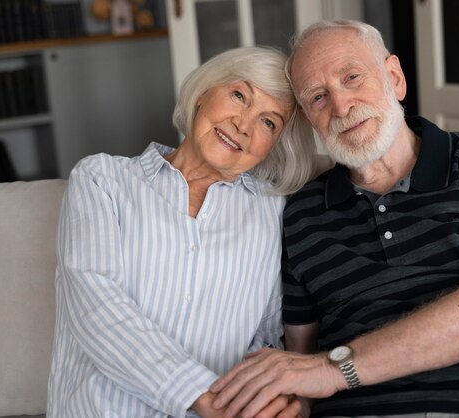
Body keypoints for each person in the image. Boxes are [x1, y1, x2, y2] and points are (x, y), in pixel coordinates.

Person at [208, 20, 459, 418]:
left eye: (352, 77)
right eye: (317, 97)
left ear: (395, 78)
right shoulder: (302, 213)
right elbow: (301, 364)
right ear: (307, 119)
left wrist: (333, 369)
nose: (342, 106)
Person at [46, 46, 317, 418]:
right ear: (204, 93)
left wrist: (270, 401)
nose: (243, 125)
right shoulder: (102, 179)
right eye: (239, 96)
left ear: (273, 146)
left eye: (268, 122)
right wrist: (207, 400)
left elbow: (266, 336)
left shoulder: (271, 211)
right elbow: (96, 304)